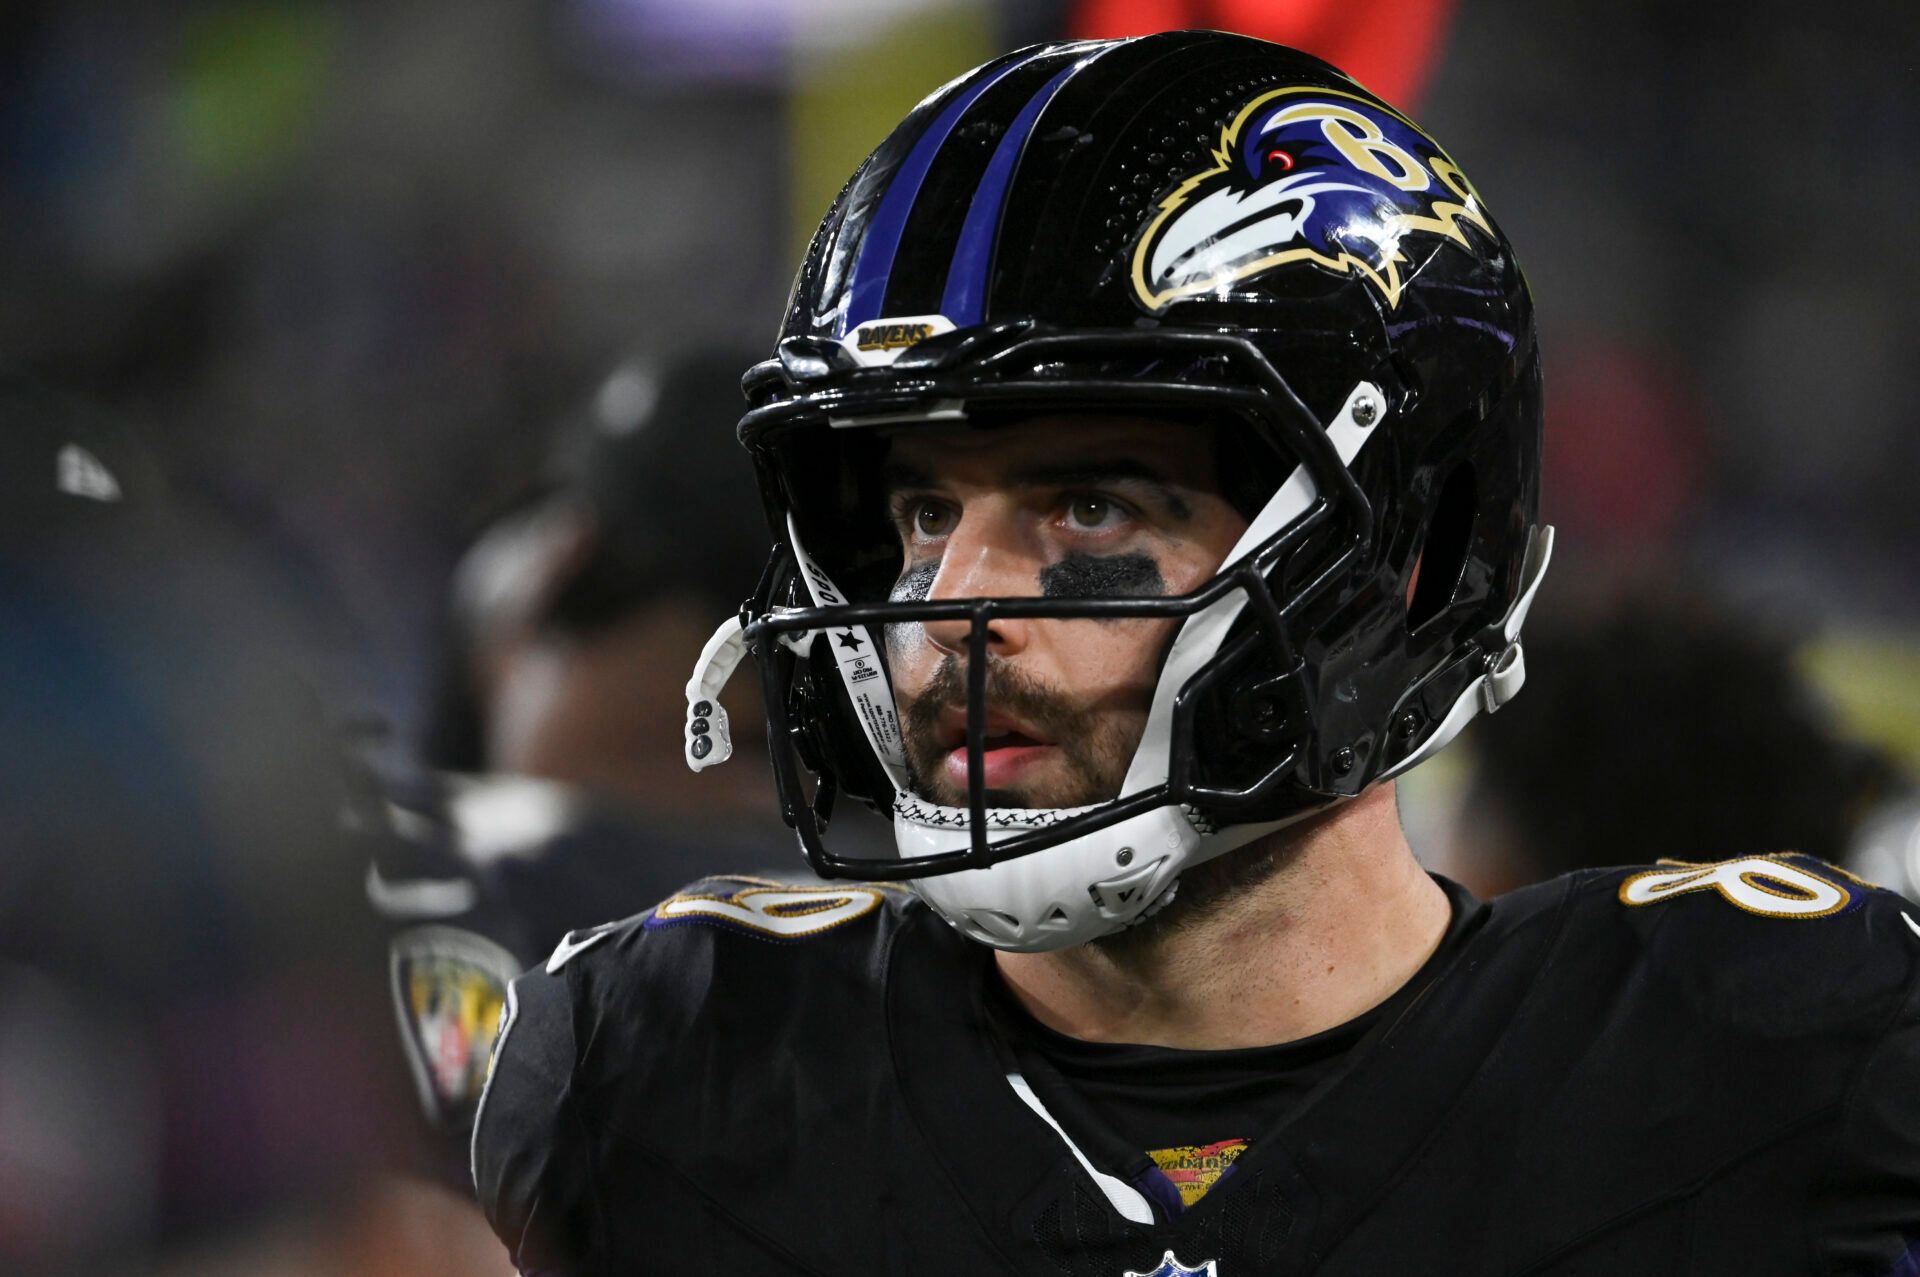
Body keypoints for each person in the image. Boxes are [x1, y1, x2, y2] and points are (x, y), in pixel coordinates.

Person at [472, 33, 1920, 1274]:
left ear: (1402, 557)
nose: (944, 615)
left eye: (1087, 503)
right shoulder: (663, 1071)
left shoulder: (1780, 1063)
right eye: (921, 511)